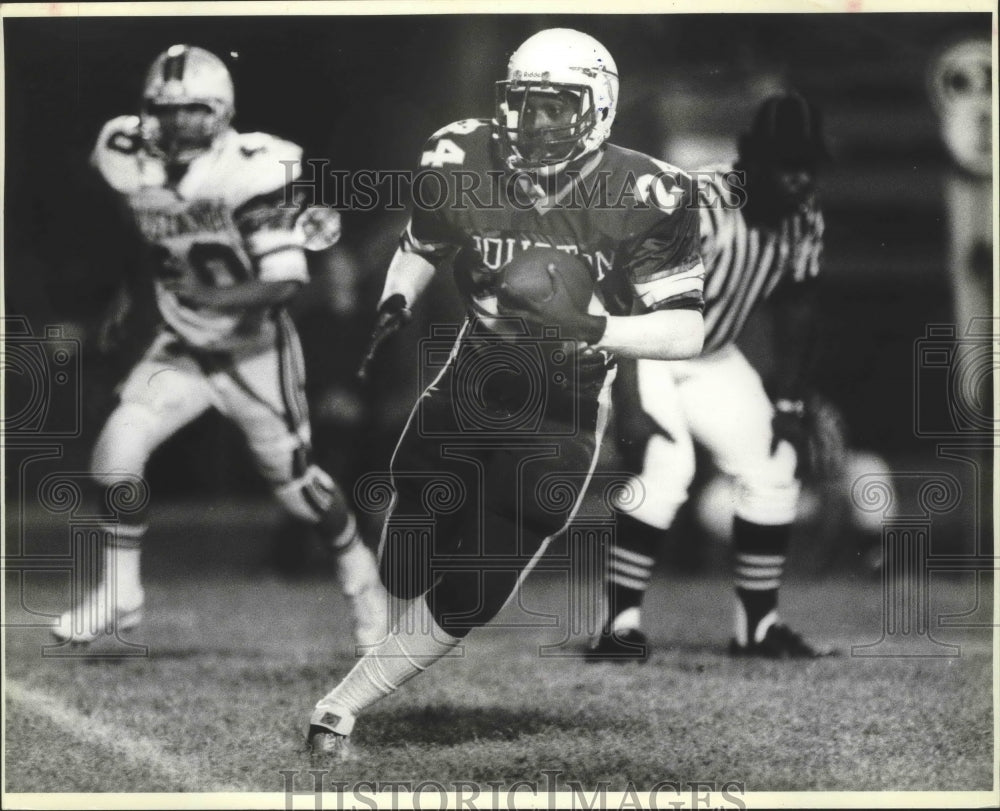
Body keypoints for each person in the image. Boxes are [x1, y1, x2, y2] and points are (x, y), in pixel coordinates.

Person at [307, 28, 706, 759]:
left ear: (600, 104)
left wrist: (588, 324)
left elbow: (686, 331)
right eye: (525, 104)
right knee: (403, 566)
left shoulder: (649, 192)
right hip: (469, 385)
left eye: (558, 106)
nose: (538, 121)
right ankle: (381, 618)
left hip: (563, 411)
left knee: (475, 589)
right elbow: (424, 242)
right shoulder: (463, 154)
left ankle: (339, 706)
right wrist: (398, 296)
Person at [52, 44, 387, 650]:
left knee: (297, 487)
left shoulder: (256, 169)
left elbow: (284, 282)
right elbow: (149, 235)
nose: (179, 123)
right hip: (182, 347)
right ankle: (121, 592)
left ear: (223, 112)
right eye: (166, 109)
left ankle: (361, 579)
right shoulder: (125, 152)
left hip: (254, 350)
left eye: (195, 110)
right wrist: (133, 295)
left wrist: (206, 299)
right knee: (117, 449)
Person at [587, 93, 840, 662]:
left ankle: (756, 630)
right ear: (751, 160)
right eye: (785, 164)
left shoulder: (803, 214)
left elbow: (798, 302)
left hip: (712, 353)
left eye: (807, 166)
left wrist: (792, 402)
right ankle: (619, 628)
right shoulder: (697, 201)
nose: (799, 180)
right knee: (664, 465)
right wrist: (628, 403)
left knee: (775, 464)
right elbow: (625, 296)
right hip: (646, 344)